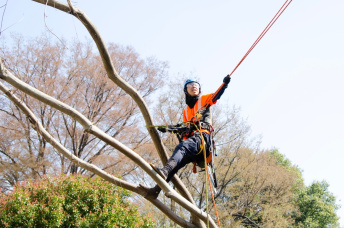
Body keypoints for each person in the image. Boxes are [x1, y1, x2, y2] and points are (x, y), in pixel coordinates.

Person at [140, 75, 231, 199]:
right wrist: (170, 129)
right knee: (176, 163)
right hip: (193, 143)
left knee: (182, 147)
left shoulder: (204, 99)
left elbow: (216, 95)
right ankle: (155, 190)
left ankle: (164, 171)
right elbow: (186, 128)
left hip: (202, 137)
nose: (194, 86)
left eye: (196, 85)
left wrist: (224, 85)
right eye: (190, 85)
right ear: (185, 90)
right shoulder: (186, 111)